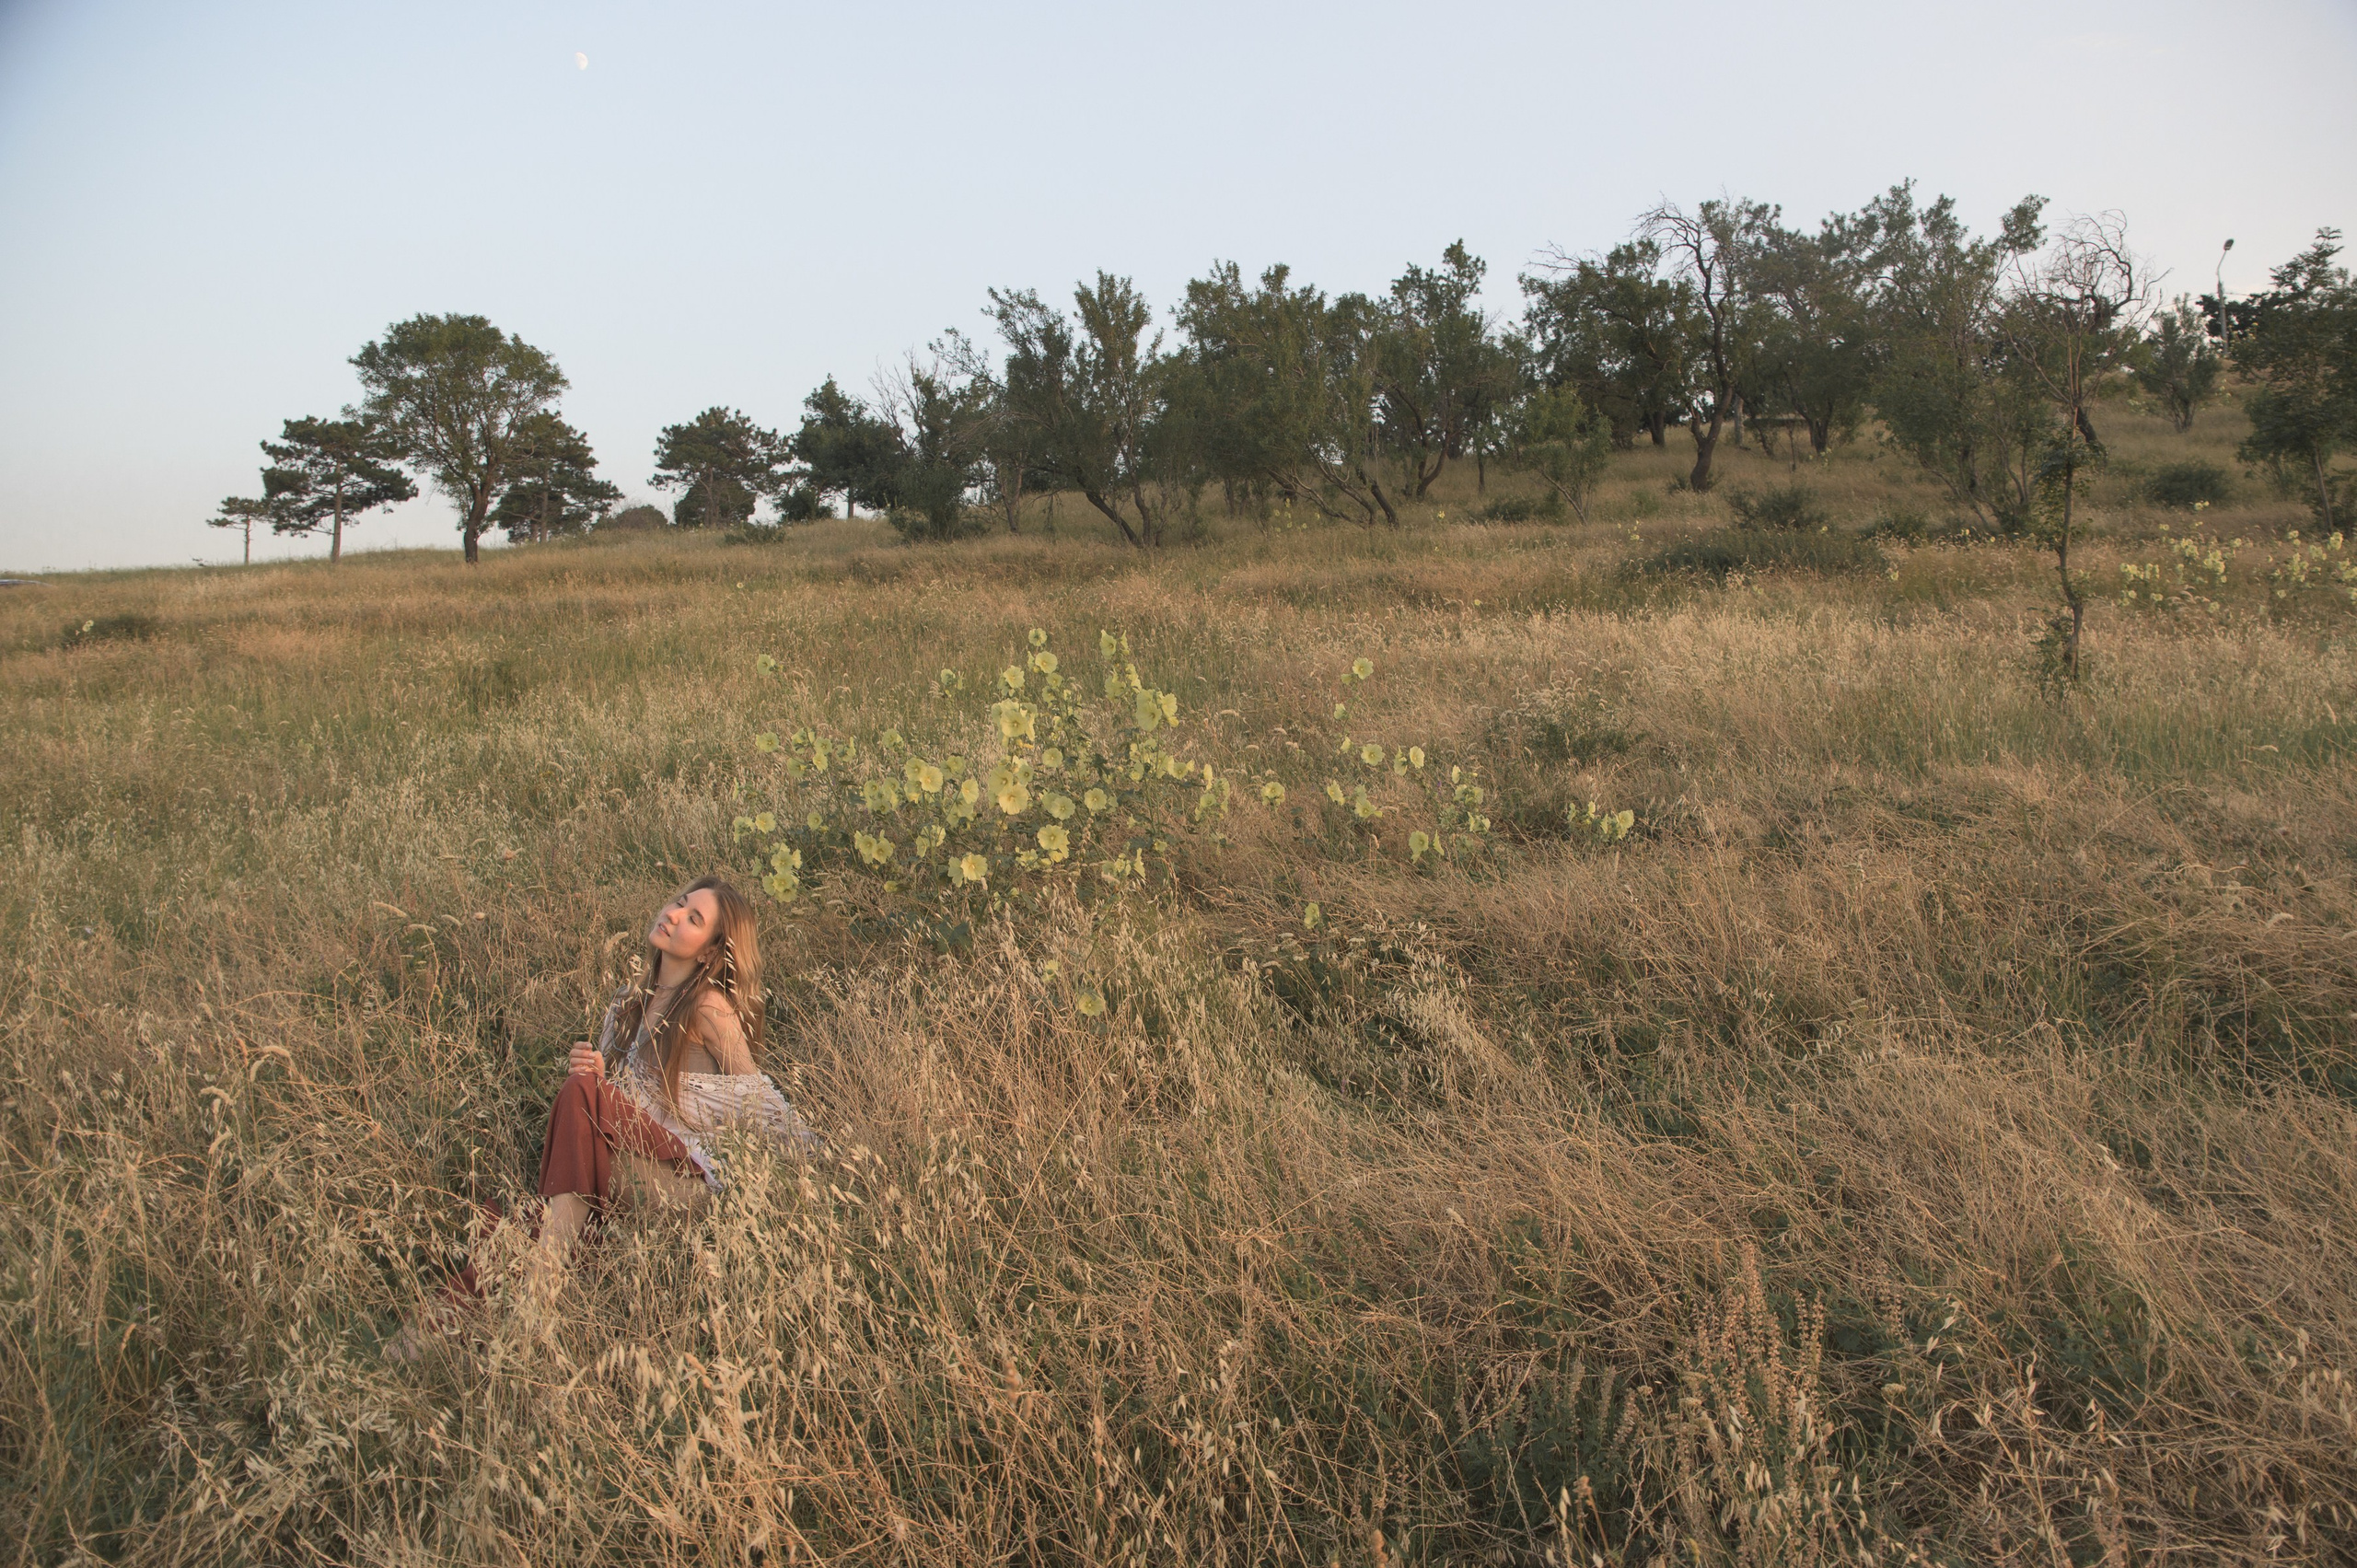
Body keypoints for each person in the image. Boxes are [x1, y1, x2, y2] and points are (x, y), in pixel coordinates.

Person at [389, 875, 817, 1358]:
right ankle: (425, 1342)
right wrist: (597, 1073)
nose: (674, 915)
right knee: (519, 1223)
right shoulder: (627, 1003)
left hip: (690, 1184)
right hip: (635, 1166)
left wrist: (814, 1171)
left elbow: (765, 1105)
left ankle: (536, 1302)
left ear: (710, 954)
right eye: (679, 903)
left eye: (694, 919)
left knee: (576, 1107)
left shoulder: (708, 1009)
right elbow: (615, 1105)